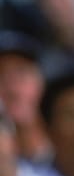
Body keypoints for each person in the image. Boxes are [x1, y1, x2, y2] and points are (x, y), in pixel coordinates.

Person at [0, 30, 52, 167]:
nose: (12, 87)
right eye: (0, 75)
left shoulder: (67, 142)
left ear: (41, 80)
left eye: (21, 73)